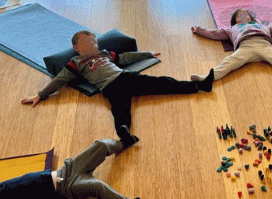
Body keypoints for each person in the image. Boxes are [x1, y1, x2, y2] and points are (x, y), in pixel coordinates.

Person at [21, 31, 213, 147]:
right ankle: (124, 133)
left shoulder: (105, 54)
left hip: (125, 77)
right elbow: (60, 79)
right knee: (120, 109)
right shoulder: (76, 63)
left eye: (94, 42)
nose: (93, 45)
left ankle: (198, 85)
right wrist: (40, 95)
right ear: (76, 47)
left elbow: (125, 58)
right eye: (88, 43)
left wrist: (147, 54)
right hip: (109, 87)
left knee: (161, 82)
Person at [1, 138, 152, 199]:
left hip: (66, 170)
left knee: (100, 146)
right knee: (97, 187)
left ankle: (123, 142)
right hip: (65, 189)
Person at [189, 9, 272, 85]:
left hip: (263, 44)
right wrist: (199, 30)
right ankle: (208, 78)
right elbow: (215, 33)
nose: (244, 16)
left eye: (246, 14)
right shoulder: (232, 29)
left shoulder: (263, 26)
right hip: (245, 46)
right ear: (235, 21)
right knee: (228, 62)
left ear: (252, 18)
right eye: (240, 15)